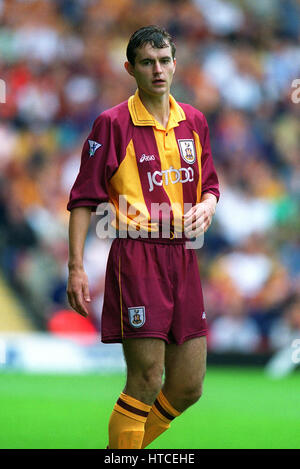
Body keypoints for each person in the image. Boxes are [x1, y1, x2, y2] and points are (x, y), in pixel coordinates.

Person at [67, 25, 220, 449]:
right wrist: (76, 267)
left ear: (176, 63)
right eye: (148, 62)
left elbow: (210, 184)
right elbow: (83, 200)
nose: (158, 70)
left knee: (189, 386)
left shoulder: (195, 120)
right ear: (129, 68)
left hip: (185, 256)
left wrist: (208, 204)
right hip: (138, 255)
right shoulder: (112, 124)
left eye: (165, 60)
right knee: (147, 378)